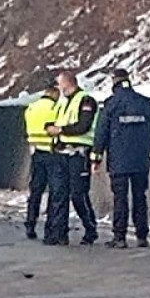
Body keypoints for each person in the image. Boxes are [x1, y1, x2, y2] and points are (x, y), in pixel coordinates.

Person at [91, 68, 150, 248]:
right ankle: (142, 235)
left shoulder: (111, 104)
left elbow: (101, 132)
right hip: (140, 160)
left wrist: (96, 157)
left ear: (114, 81)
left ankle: (120, 237)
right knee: (139, 196)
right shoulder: (144, 103)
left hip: (119, 160)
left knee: (120, 197)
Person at [43, 70, 98, 246]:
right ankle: (59, 234)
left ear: (67, 83)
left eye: (60, 84)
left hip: (79, 154)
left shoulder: (85, 100)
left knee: (78, 194)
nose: (58, 88)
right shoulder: (64, 103)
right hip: (62, 154)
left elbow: (83, 125)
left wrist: (60, 130)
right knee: (59, 194)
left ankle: (90, 228)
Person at [22, 83, 60, 239]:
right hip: (52, 152)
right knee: (54, 190)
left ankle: (30, 223)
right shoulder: (55, 108)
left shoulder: (30, 108)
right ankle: (49, 227)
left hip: (36, 152)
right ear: (54, 94)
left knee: (36, 191)